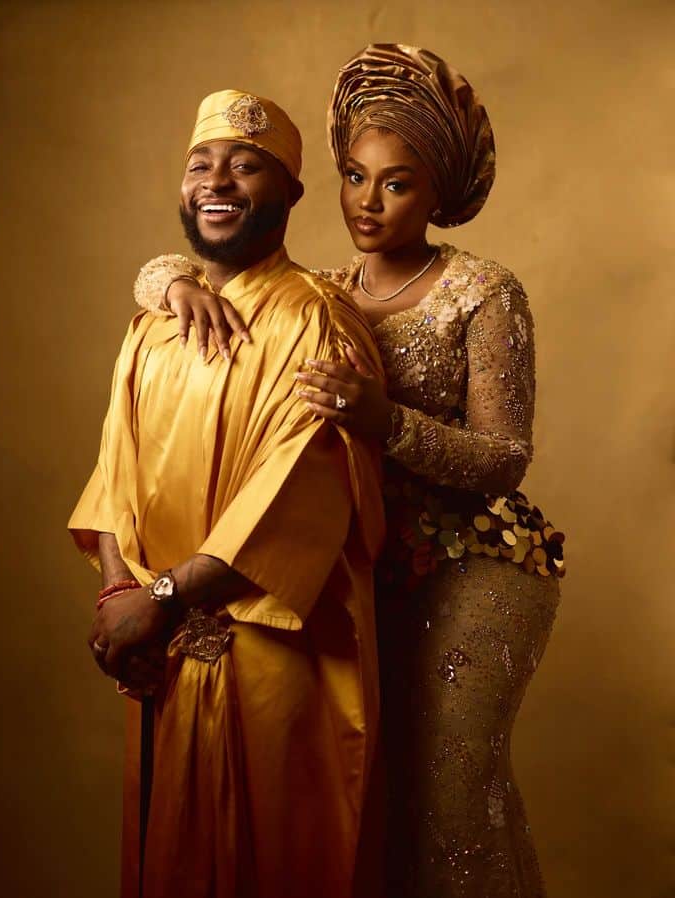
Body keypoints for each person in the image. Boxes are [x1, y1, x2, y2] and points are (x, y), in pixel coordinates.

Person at [133, 45, 566, 898]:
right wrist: (173, 281)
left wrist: (386, 422)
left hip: (473, 566)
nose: (368, 202)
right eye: (355, 178)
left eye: (396, 184)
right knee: (364, 794)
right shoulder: (321, 289)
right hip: (353, 567)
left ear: (437, 193)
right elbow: (176, 267)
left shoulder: (483, 290)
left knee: (451, 793)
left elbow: (505, 459)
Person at [69, 88, 387, 898]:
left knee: (276, 861)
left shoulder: (318, 322)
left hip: (274, 653)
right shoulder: (152, 327)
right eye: (201, 165)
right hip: (161, 652)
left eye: (246, 166)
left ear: (290, 192)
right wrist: (118, 592)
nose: (217, 181)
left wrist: (161, 599)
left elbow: (303, 492)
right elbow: (113, 476)